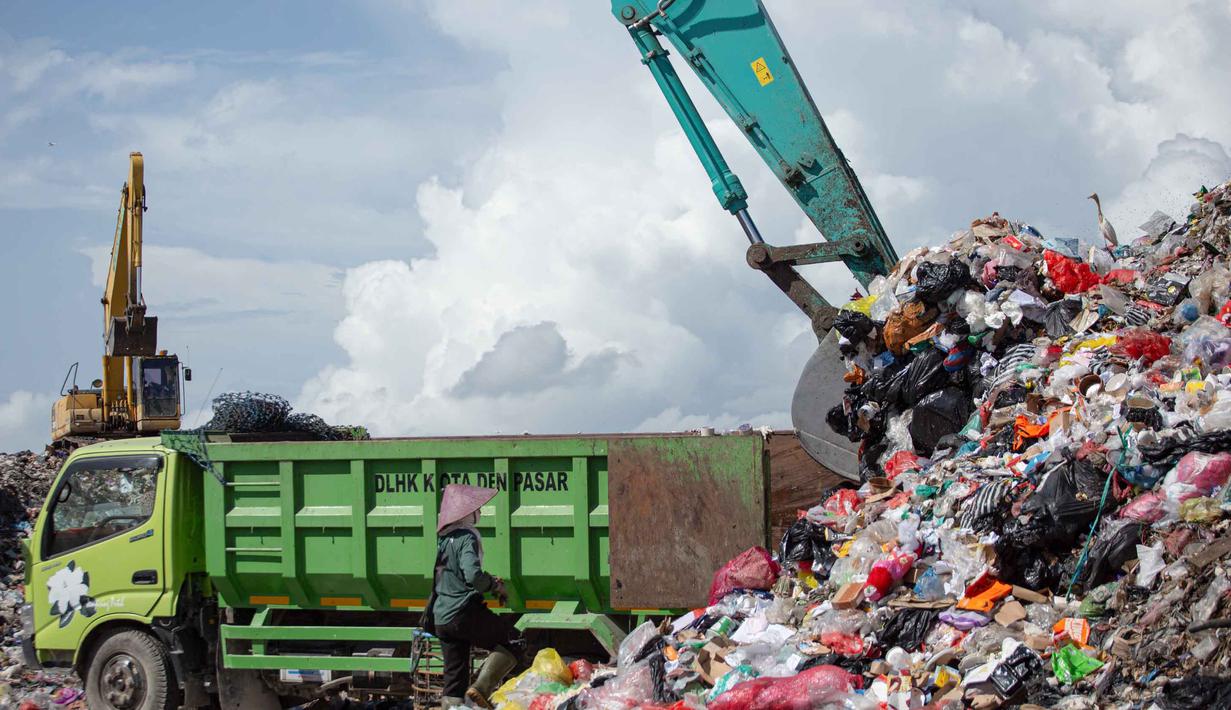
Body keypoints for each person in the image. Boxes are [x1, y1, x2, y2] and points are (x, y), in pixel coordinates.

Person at [430, 484, 523, 708]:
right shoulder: (466, 538)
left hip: (441, 617)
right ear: (467, 514)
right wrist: (493, 585)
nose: (479, 513)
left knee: (454, 682)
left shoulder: (444, 539)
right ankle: (480, 691)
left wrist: (488, 580)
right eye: (476, 510)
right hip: (462, 613)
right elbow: (472, 575)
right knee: (515, 640)